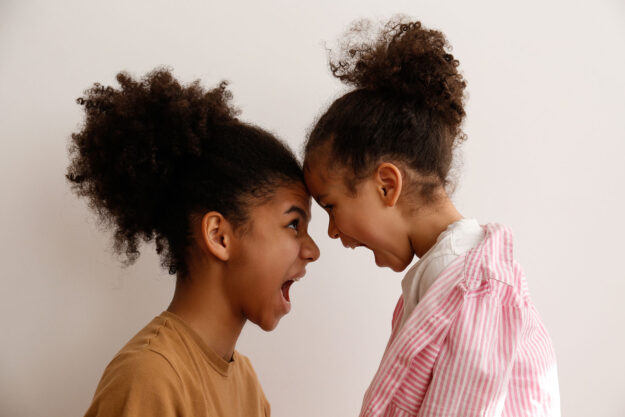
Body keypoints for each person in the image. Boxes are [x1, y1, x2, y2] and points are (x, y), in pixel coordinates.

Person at [303, 19, 560, 416]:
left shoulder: (468, 286)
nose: (333, 232)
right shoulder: (457, 276)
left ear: (387, 185)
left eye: (331, 206)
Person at [67, 68, 320, 417]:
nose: (313, 250)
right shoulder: (150, 377)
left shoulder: (246, 382)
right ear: (219, 236)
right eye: (294, 224)